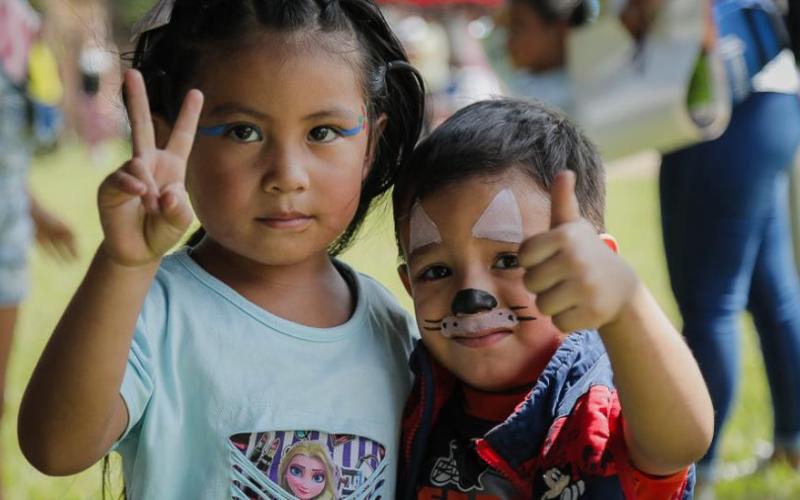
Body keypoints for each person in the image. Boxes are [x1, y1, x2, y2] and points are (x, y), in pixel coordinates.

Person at [17, 1, 425, 497]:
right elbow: (55, 448)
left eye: (322, 133)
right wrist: (125, 264)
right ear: (173, 142)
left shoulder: (394, 328)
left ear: (370, 146)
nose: (287, 175)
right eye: (243, 132)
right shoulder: (153, 311)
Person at [392, 98, 714, 498]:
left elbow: (680, 441)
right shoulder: (411, 396)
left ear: (594, 265)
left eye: (510, 259)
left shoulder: (593, 402)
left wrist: (625, 303)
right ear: (409, 286)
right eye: (436, 272)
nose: (470, 297)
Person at [652, 0, 800, 489]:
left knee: (709, 305)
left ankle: (696, 473)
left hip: (721, 99)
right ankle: (792, 443)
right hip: (770, 94)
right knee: (772, 294)